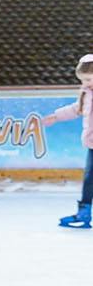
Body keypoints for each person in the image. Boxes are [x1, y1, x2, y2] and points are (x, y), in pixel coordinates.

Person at [41, 53, 93, 229]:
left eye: (88, 79)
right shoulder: (86, 94)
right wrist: (56, 116)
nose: (85, 83)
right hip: (92, 144)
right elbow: (75, 109)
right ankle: (84, 212)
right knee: (89, 180)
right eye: (83, 80)